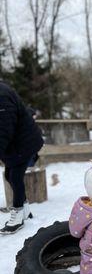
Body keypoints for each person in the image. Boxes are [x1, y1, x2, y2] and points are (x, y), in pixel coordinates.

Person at [0, 81, 44, 234]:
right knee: (9, 175)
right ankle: (24, 209)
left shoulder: (2, 97)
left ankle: (18, 216)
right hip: (16, 143)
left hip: (25, 143)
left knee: (15, 176)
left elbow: (4, 129)